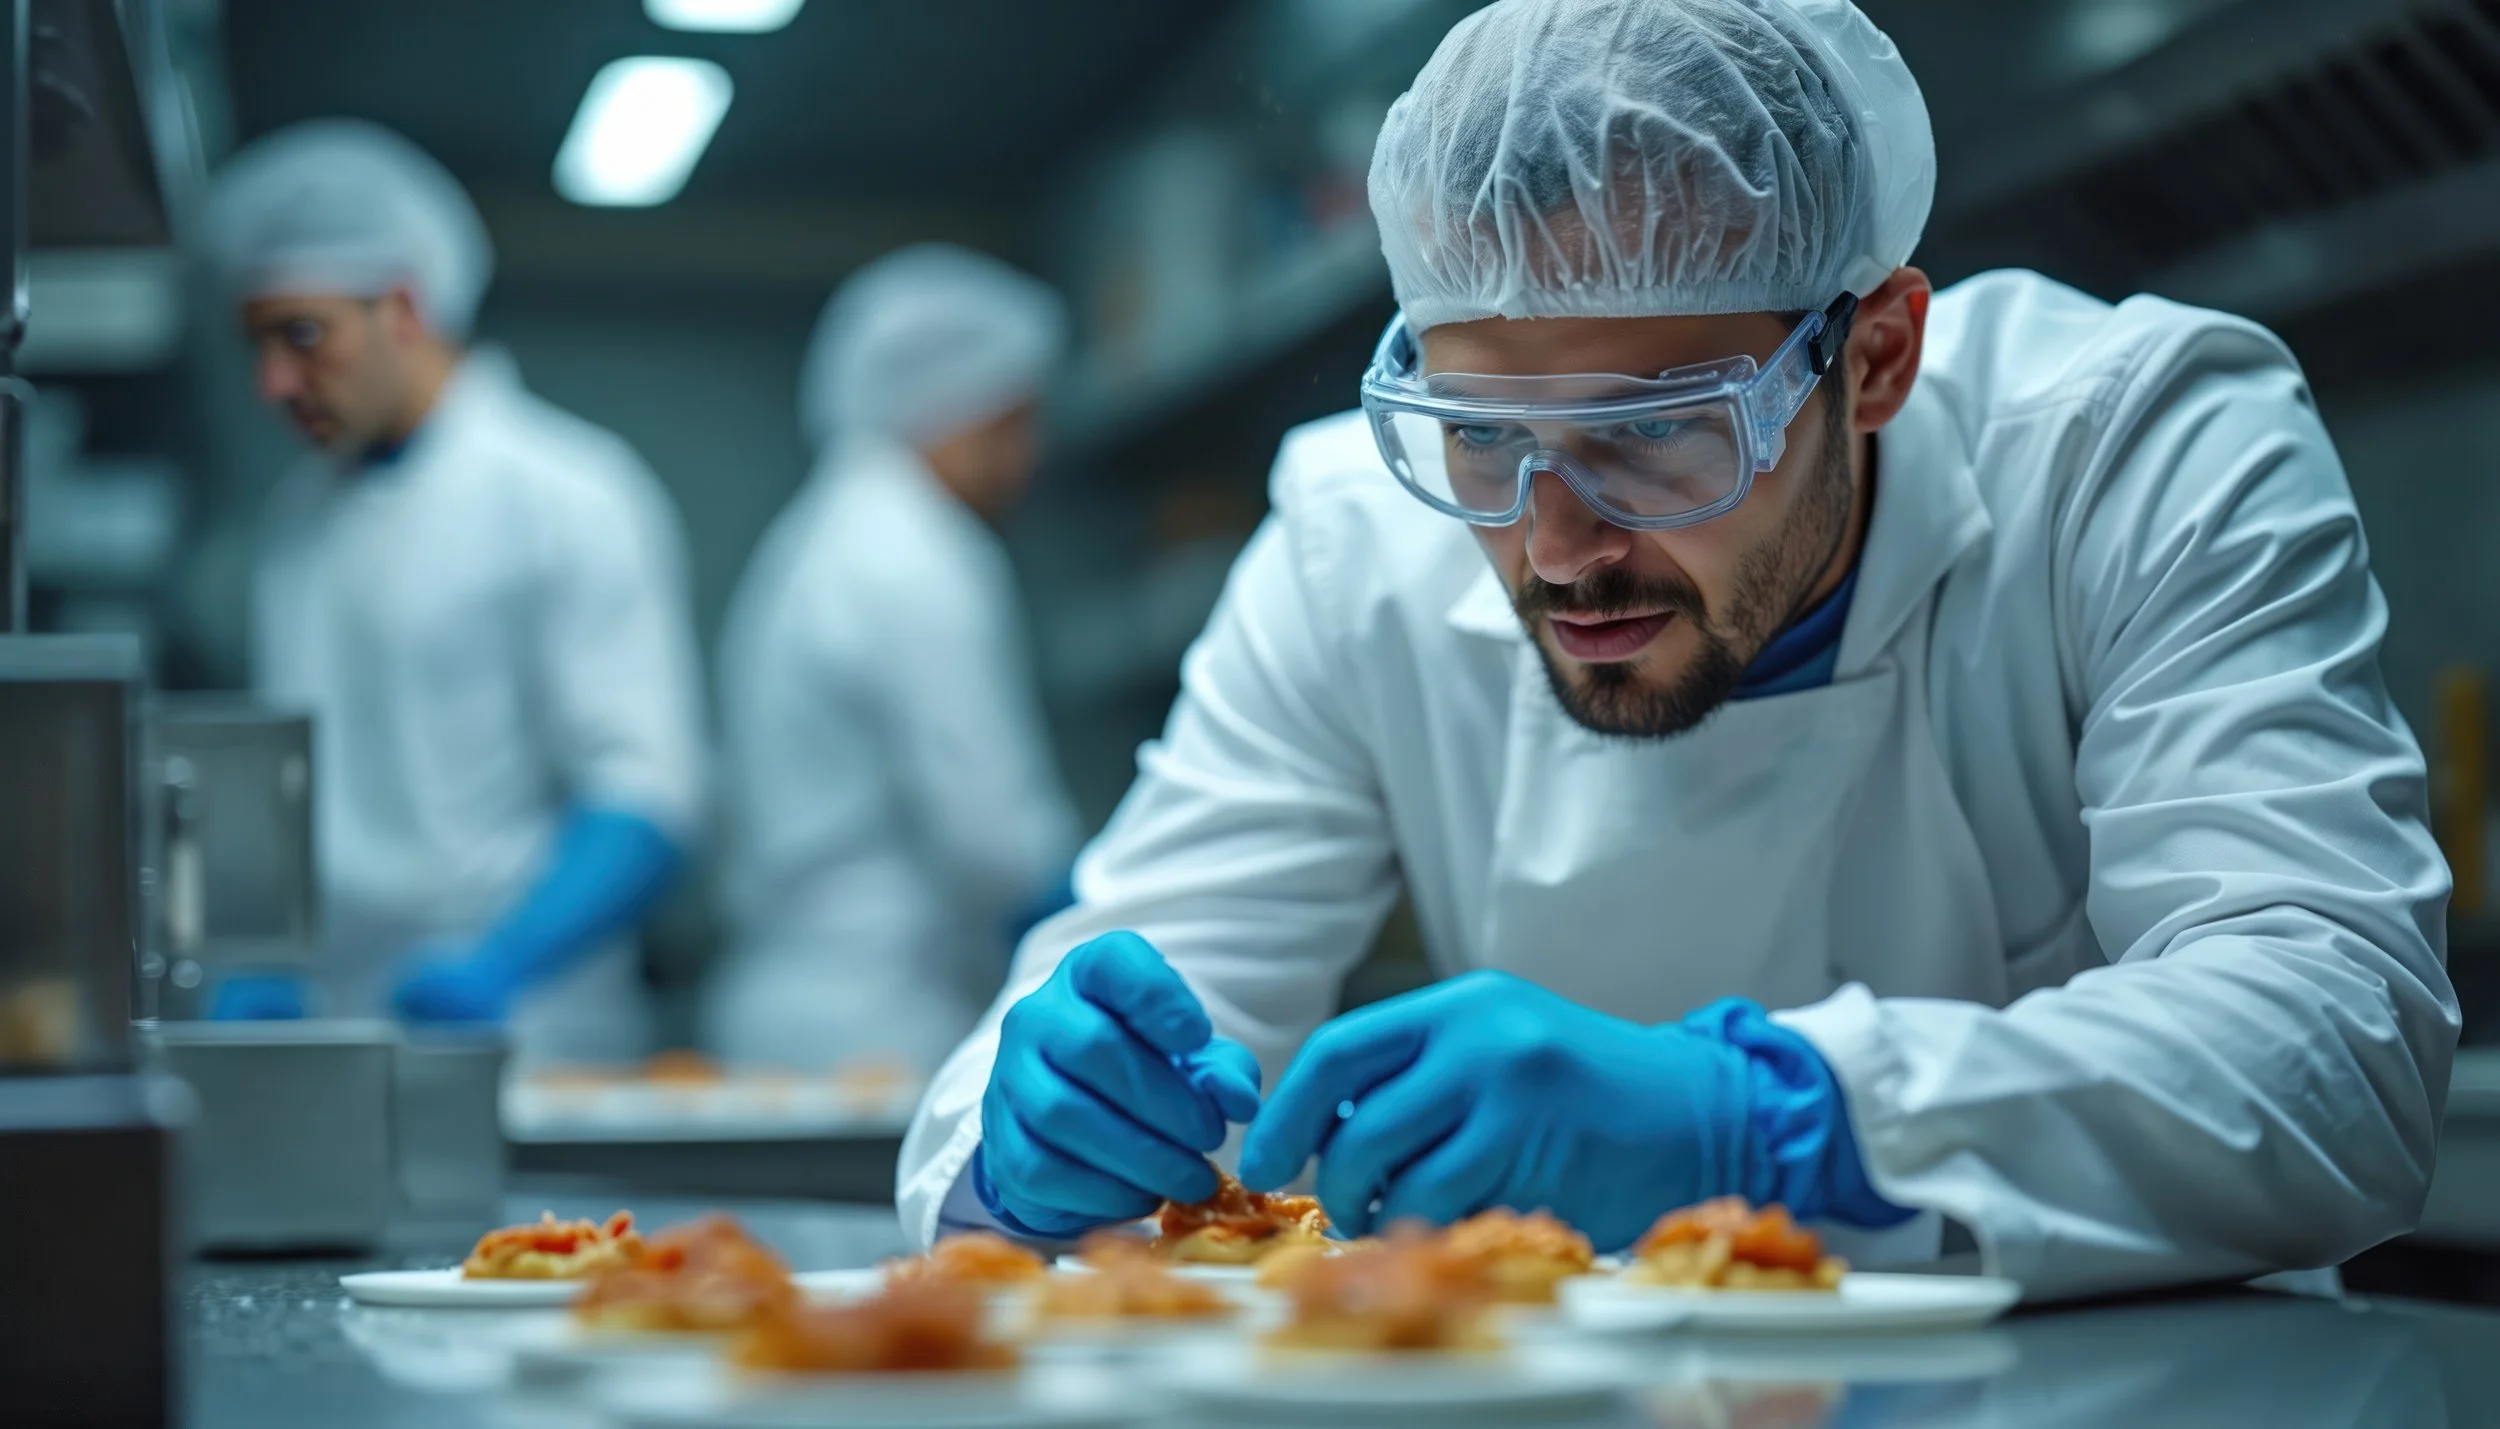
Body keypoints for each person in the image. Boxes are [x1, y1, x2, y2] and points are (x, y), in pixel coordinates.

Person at [898, 0, 2459, 1302]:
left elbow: (2337, 1043)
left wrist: (1765, 1126)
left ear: (1877, 360)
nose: (1558, 544)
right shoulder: (1343, 547)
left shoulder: (2133, 449)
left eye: (1652, 438)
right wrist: (1025, 1150)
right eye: (1480, 437)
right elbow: (1127, 997)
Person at [199, 120, 707, 1061]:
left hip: (535, 1035)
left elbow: (647, 791)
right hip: (337, 1038)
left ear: (405, 306)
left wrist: (505, 959)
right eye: (258, 348)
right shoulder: (295, 524)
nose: (275, 382)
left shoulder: (568, 492)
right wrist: (261, 954)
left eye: (303, 337)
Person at [706, 245, 1081, 1074]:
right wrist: (1101, 933)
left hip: (793, 1005)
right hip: (882, 1023)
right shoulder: (914, 552)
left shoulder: (818, 537)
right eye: (1012, 425)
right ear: (954, 409)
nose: (1025, 460)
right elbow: (994, 836)